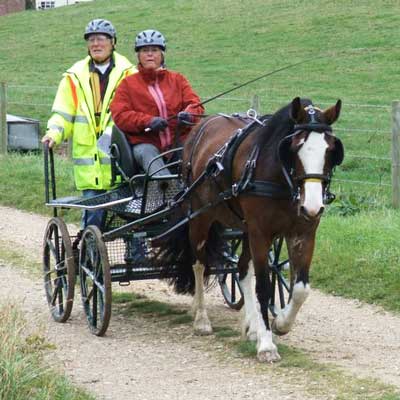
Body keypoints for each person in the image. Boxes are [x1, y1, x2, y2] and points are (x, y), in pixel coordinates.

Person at [41, 19, 136, 230]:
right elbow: (63, 113)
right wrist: (53, 134)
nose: (96, 44)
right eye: (91, 40)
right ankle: (90, 259)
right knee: (93, 220)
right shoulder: (74, 76)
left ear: (113, 42)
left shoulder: (129, 73)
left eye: (101, 39)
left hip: (120, 161)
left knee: (132, 220)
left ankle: (136, 261)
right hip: (90, 165)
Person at [110, 28, 205, 177]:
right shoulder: (127, 84)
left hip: (179, 141)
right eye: (144, 50)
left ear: (162, 54)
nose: (149, 54)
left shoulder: (178, 79)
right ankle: (166, 191)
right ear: (138, 55)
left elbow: (195, 104)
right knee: (149, 156)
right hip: (146, 144)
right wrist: (148, 121)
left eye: (154, 50)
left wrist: (189, 115)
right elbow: (120, 115)